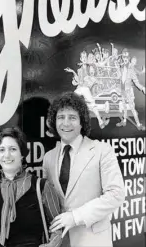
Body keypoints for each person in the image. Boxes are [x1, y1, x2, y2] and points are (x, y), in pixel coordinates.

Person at [43, 92, 125, 247]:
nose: (65, 123)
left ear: (82, 122)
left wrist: (75, 217)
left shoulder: (102, 151)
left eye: (72, 117)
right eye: (61, 117)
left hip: (93, 241)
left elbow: (116, 195)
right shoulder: (48, 158)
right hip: (61, 242)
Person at [0, 127, 62, 247]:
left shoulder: (41, 186)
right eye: (1, 150)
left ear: (22, 154)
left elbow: (58, 227)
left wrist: (52, 245)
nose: (7, 155)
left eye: (13, 149)